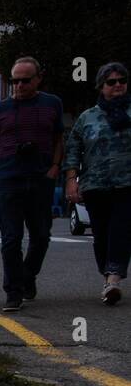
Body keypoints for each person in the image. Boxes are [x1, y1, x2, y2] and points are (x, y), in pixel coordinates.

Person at [0, 56, 66, 311]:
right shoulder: (1, 110)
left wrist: (55, 167)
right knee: (11, 239)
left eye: (25, 80)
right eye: (14, 81)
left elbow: (59, 138)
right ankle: (13, 292)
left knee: (41, 236)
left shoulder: (52, 104)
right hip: (8, 179)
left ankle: (28, 275)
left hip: (40, 179)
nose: (19, 85)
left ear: (38, 78)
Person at [63, 61, 131, 306]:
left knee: (121, 230)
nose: (118, 86)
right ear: (101, 86)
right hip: (95, 185)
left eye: (122, 80)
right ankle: (107, 276)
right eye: (111, 82)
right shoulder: (87, 118)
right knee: (101, 234)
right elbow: (73, 151)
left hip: (126, 184)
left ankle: (114, 278)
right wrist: (72, 181)